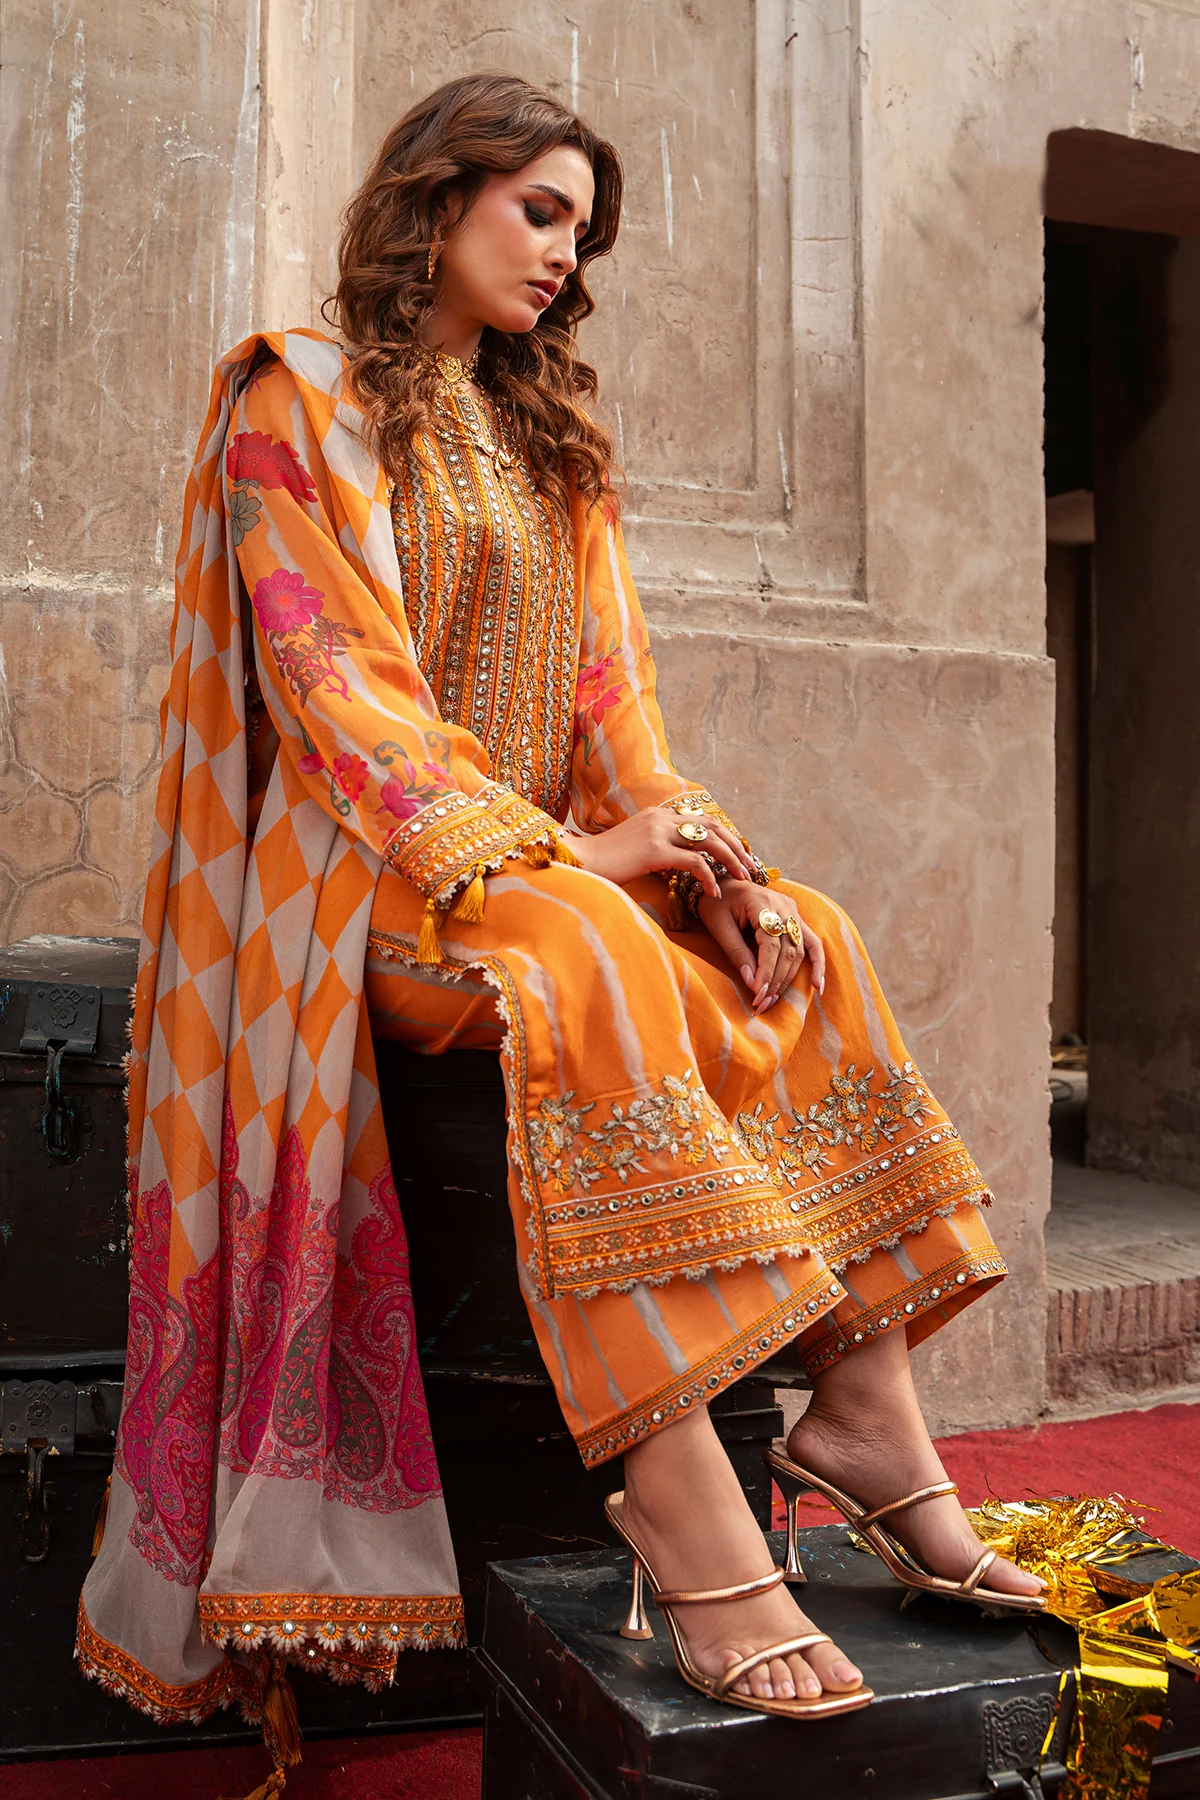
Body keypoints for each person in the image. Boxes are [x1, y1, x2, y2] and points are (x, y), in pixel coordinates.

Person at [78, 71, 1042, 1748]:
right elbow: (339, 693)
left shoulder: (549, 445)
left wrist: (710, 867)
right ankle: (676, 1491)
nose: (562, 259)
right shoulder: (294, 398)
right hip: (366, 888)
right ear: (436, 197)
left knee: (805, 937)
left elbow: (615, 713)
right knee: (581, 939)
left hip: (534, 875)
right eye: (538, 213)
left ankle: (867, 1405)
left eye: (581, 236)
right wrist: (577, 863)